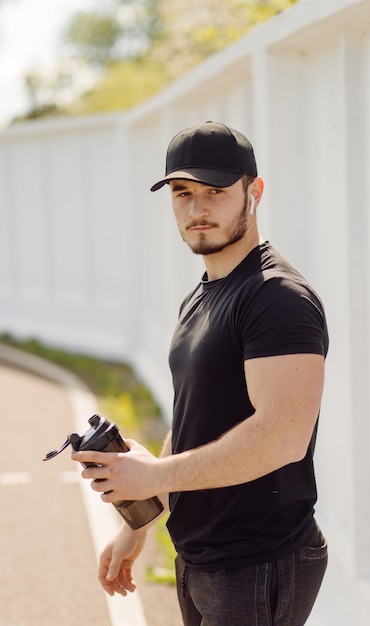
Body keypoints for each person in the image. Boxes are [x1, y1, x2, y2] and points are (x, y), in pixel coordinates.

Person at [72, 121, 329, 626]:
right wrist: (144, 516)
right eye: (183, 193)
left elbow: (283, 437)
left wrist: (156, 476)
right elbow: (198, 420)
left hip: (259, 564)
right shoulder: (205, 292)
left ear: (253, 192)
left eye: (215, 192)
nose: (197, 209)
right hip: (202, 558)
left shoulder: (277, 298)